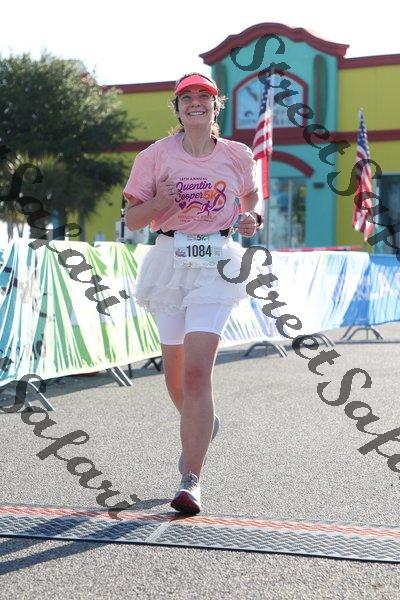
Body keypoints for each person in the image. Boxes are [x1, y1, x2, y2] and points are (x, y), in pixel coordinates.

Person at [124, 72, 263, 515]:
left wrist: (251, 218)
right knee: (176, 378)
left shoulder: (238, 154)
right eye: (187, 97)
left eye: (204, 95)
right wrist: (158, 203)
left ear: (215, 106)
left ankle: (191, 479)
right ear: (178, 108)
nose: (196, 102)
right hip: (170, 261)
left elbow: (251, 197)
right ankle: (205, 423)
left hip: (217, 263)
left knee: (198, 373)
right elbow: (132, 219)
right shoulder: (154, 156)